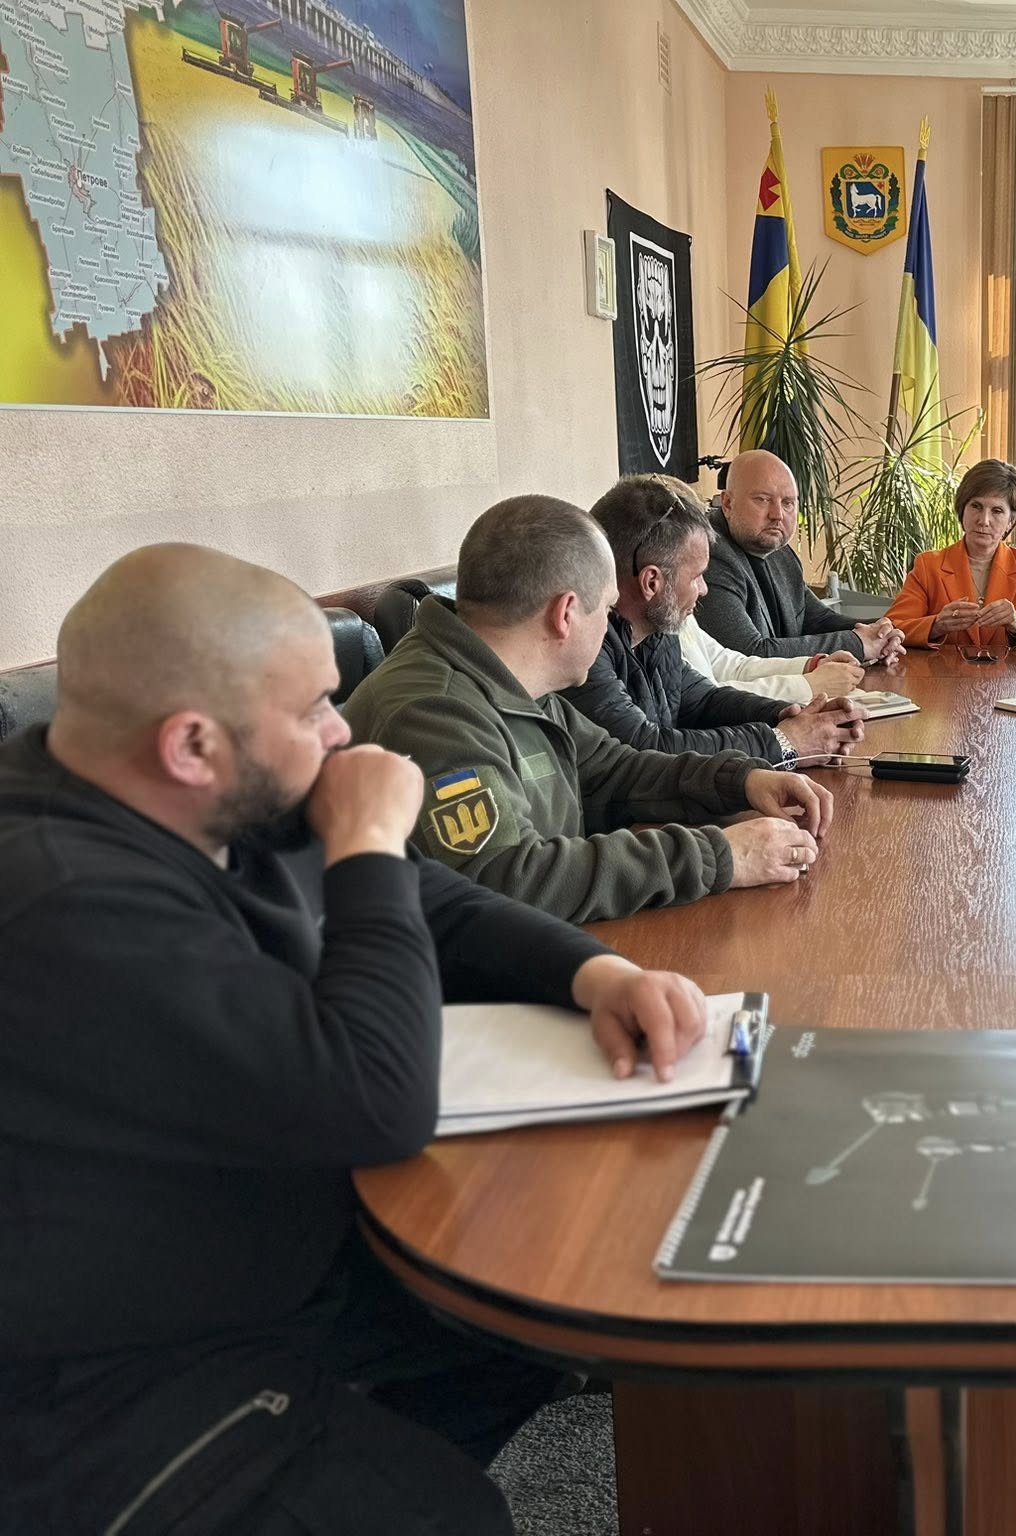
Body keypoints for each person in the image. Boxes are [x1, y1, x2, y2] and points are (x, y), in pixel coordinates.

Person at [0, 544, 720, 1535]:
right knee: (452, 1518)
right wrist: (370, 841)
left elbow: (428, 898)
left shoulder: (192, 788)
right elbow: (376, 1101)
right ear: (191, 744)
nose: (342, 732)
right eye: (313, 711)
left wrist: (595, 973)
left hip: (272, 1237)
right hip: (114, 1370)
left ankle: (340, 1441)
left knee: (534, 1317)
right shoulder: (63, 898)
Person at [344, 495, 831, 923]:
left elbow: (616, 769)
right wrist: (718, 855)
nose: (612, 625)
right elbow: (505, 880)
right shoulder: (434, 711)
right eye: (606, 608)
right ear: (566, 614)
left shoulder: (513, 680)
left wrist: (741, 780)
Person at [570, 475, 868, 760]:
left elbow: (703, 701)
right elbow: (644, 748)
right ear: (651, 582)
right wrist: (784, 742)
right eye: (697, 577)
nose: (704, 590)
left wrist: (792, 716)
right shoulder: (585, 650)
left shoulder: (655, 633)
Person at [698, 448, 910, 662]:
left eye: (788, 503)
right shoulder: (707, 554)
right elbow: (749, 654)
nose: (777, 515)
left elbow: (817, 620)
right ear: (727, 503)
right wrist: (858, 643)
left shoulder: (779, 550)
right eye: (762, 499)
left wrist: (879, 632)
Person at [883, 458, 1016, 651]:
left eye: (997, 511)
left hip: (1009, 671)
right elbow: (890, 629)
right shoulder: (929, 565)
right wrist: (936, 625)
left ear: (1011, 520)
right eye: (976, 506)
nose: (984, 520)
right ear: (962, 509)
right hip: (943, 670)